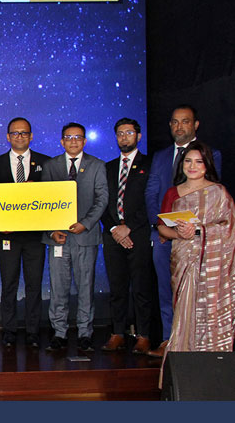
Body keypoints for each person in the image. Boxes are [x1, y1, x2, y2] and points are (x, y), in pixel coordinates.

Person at [145, 104, 222, 357]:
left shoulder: (211, 154)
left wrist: (193, 231)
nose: (180, 126)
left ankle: (197, 342)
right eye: (175, 122)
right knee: (166, 291)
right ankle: (169, 340)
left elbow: (212, 202)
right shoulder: (161, 156)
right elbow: (151, 194)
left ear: (195, 124)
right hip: (163, 238)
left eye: (185, 121)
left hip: (198, 242)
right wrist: (160, 228)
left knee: (198, 293)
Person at [156, 141, 234, 356]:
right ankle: (183, 356)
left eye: (199, 162)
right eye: (188, 161)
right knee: (184, 308)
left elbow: (228, 227)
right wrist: (180, 234)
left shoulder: (218, 193)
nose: (192, 166)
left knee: (209, 308)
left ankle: (212, 358)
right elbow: (162, 228)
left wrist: (199, 231)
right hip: (183, 258)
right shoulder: (173, 193)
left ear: (207, 165)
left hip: (212, 263)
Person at [42, 123, 108, 352]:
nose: (73, 141)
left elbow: (102, 199)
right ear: (62, 141)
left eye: (78, 137)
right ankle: (59, 332)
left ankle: (84, 333)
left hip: (85, 236)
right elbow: (42, 201)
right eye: (68, 137)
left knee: (85, 287)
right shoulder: (50, 166)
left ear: (84, 141)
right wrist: (51, 230)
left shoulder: (97, 165)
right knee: (58, 288)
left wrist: (85, 224)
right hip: (58, 238)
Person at [0, 117, 50, 349]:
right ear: (8, 137)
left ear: (31, 136)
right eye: (15, 133)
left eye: (24, 133)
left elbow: (52, 198)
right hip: (7, 235)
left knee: (34, 285)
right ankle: (9, 331)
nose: (20, 136)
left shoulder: (45, 163)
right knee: (8, 284)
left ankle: (32, 331)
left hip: (35, 236)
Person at [100, 118, 154, 354]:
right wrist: (115, 229)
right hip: (113, 235)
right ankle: (118, 333)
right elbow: (102, 202)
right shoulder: (108, 167)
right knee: (117, 287)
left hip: (138, 233)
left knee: (141, 286)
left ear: (138, 136)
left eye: (129, 133)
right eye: (120, 133)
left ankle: (143, 335)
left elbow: (151, 200)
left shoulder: (150, 164)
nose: (124, 137)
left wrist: (129, 227)